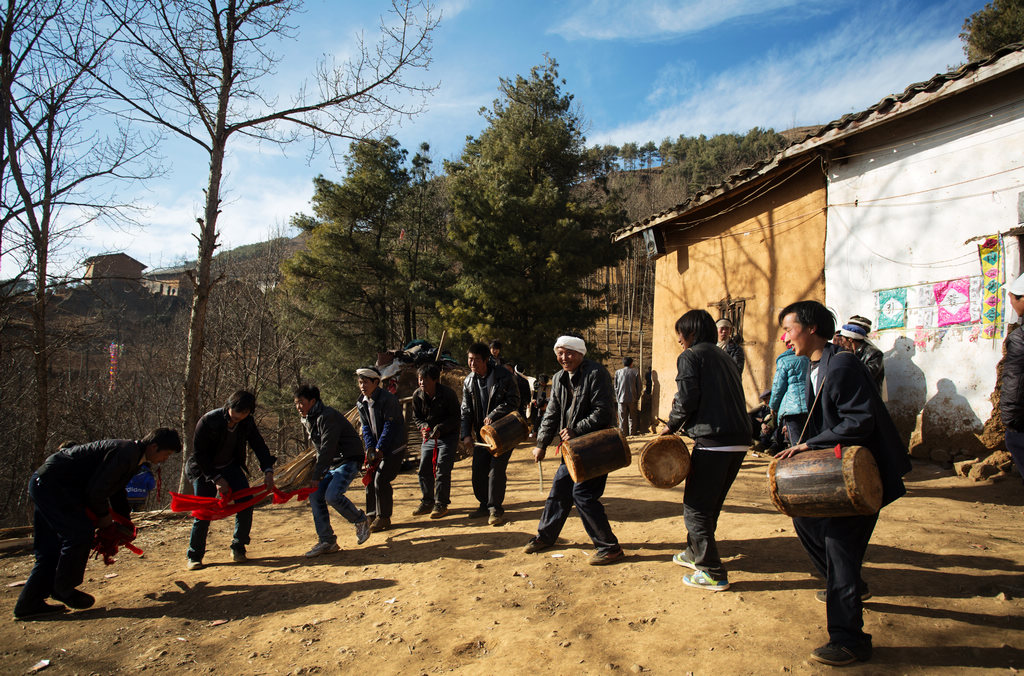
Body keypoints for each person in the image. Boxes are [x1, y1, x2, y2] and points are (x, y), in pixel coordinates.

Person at [776, 300, 911, 666]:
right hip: (839, 473)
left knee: (839, 545)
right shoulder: (814, 365)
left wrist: (810, 444)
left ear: (812, 327)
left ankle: (850, 639)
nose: (785, 338)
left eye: (789, 329)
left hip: (862, 477)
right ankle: (846, 582)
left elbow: (860, 421)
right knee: (805, 520)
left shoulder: (843, 364)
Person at [14, 428, 182, 619]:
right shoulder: (127, 453)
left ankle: (28, 603)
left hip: (46, 484)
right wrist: (105, 520)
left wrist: (125, 522)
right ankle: (62, 588)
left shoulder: (133, 456)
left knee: (51, 548)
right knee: (79, 534)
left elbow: (117, 492)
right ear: (154, 447)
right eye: (166, 454)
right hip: (54, 486)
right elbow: (96, 491)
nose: (165, 459)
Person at [658, 310, 750, 591]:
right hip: (739, 439)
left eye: (681, 335)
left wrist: (670, 426)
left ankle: (711, 571)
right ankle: (693, 552)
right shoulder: (725, 355)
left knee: (696, 508)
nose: (679, 342)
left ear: (692, 333)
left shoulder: (691, 356)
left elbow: (686, 399)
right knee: (711, 504)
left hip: (714, 441)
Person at [524, 335, 624, 565]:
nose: (564, 357)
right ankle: (546, 536)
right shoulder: (559, 378)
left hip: (595, 447)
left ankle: (610, 547)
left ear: (580, 353)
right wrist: (541, 444)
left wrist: (577, 429)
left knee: (584, 495)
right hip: (571, 449)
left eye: (569, 352)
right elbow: (551, 413)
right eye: (560, 353)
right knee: (560, 489)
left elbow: (603, 411)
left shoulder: (596, 374)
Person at [185, 390, 276, 570]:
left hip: (231, 467)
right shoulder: (207, 422)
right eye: (235, 414)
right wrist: (216, 479)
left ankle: (238, 547)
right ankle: (194, 555)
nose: (238, 419)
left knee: (245, 504)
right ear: (228, 407)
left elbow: (258, 445)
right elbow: (199, 454)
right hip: (204, 470)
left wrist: (268, 470)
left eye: (243, 415)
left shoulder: (246, 422)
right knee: (203, 511)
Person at [295, 384, 371, 558]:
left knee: (332, 495)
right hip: (332, 463)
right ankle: (327, 540)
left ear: (312, 401)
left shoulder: (326, 416)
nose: (298, 407)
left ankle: (360, 519)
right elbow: (321, 450)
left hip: (348, 459)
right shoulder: (310, 418)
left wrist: (317, 475)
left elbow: (327, 448)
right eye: (296, 403)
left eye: (301, 402)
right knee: (315, 495)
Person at [461, 342, 519, 525]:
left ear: (486, 360)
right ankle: (483, 504)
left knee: (496, 470)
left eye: (476, 360)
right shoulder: (469, 381)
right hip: (482, 436)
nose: (472, 363)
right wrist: (466, 434)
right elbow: (466, 410)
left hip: (503, 433)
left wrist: (495, 415)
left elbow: (514, 401)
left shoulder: (503, 376)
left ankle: (495, 509)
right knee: (478, 469)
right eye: (470, 359)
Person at [356, 366, 406, 532]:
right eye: (360, 382)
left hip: (394, 447)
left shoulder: (387, 399)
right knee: (370, 477)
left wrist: (380, 448)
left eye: (366, 382)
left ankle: (384, 516)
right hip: (378, 448)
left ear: (376, 382)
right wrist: (370, 448)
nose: (362, 386)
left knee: (381, 478)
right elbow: (365, 427)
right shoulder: (361, 402)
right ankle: (372, 513)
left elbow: (390, 426)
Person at [411, 363, 461, 519]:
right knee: (424, 468)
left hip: (448, 436)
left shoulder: (448, 394)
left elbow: (456, 418)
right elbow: (417, 417)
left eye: (425, 380)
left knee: (442, 469)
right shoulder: (417, 395)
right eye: (420, 380)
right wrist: (424, 427)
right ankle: (427, 501)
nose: (421, 383)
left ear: (435, 380)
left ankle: (441, 504)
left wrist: (441, 428)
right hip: (429, 437)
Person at [1001, 274, 1024, 481]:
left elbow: (1014, 381)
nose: (1013, 304)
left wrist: (1009, 418)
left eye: (1013, 299)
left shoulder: (1020, 339)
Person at [770, 333, 810, 447]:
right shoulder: (810, 357)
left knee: (796, 444)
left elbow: (778, 387)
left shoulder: (784, 360)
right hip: (810, 404)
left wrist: (773, 406)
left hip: (792, 408)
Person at [839, 315, 885, 394]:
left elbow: (865, 377)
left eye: (843, 339)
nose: (842, 343)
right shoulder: (848, 352)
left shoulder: (874, 354)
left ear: (850, 339)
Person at [614, 357, 641, 436]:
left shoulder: (618, 372)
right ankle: (632, 433)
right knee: (632, 417)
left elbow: (615, 387)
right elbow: (639, 386)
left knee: (622, 418)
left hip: (621, 399)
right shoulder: (635, 372)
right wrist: (637, 397)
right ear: (631, 363)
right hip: (633, 398)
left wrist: (617, 397)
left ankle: (623, 435)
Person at [529, 373, 550, 438]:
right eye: (542, 382)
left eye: (544, 383)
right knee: (534, 418)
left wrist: (546, 404)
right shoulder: (535, 386)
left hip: (544, 405)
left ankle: (537, 432)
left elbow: (549, 397)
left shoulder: (548, 388)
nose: (543, 384)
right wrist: (531, 400)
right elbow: (530, 395)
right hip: (534, 405)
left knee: (540, 418)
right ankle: (533, 431)